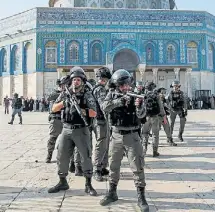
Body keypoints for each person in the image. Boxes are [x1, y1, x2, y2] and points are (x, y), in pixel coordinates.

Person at [100, 69, 149, 212]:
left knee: (137, 167)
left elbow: (142, 115)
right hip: (116, 135)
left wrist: (139, 106)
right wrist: (119, 101)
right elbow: (104, 107)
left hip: (132, 135)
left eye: (127, 84)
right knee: (113, 166)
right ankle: (112, 192)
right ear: (116, 86)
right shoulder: (112, 95)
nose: (125, 88)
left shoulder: (136, 96)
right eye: (122, 86)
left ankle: (141, 197)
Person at [48, 67, 97, 196]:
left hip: (81, 129)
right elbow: (53, 108)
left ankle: (88, 184)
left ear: (82, 81)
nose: (76, 82)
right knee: (62, 156)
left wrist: (83, 110)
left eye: (78, 80)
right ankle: (62, 181)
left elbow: (94, 112)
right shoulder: (65, 93)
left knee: (86, 157)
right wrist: (65, 103)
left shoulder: (87, 94)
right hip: (66, 129)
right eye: (74, 80)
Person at [91, 67, 112, 182]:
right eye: (103, 78)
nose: (104, 80)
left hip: (101, 120)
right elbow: (104, 106)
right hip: (100, 121)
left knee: (105, 144)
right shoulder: (100, 89)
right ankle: (97, 169)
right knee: (101, 144)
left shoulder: (100, 88)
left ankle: (103, 167)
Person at [46, 76, 68, 163]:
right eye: (64, 85)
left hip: (66, 120)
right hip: (56, 120)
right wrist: (61, 94)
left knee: (65, 141)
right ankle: (49, 155)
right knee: (53, 138)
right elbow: (49, 99)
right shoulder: (55, 94)